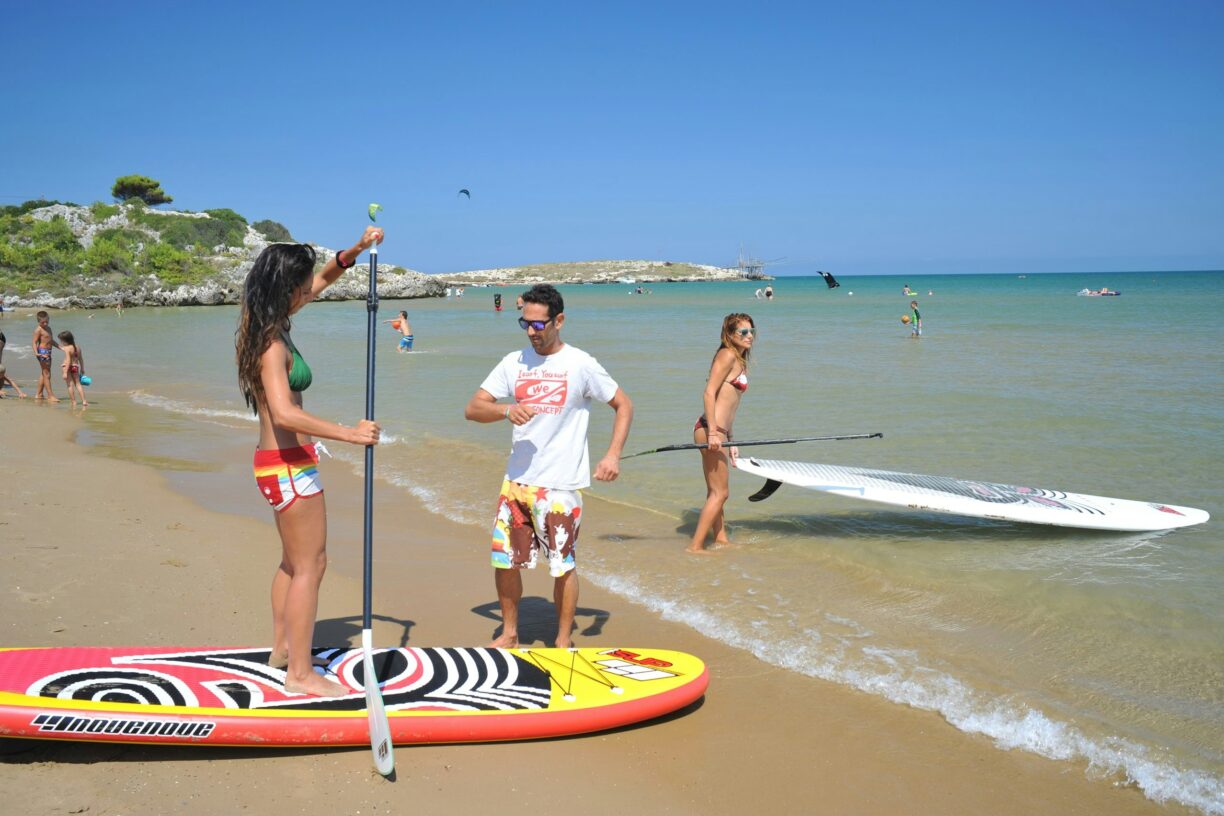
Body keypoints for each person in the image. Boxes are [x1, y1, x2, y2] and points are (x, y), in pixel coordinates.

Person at [235, 227, 383, 697]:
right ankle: (300, 674)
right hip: (288, 466)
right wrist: (350, 434)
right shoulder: (272, 343)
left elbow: (321, 282)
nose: (307, 294)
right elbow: (284, 413)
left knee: (293, 563)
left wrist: (354, 251)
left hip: (280, 462)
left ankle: (283, 649)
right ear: (285, 289)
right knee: (311, 566)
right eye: (300, 288)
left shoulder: (266, 322)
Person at [464, 283, 633, 649]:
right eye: (525, 323)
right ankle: (510, 633)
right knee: (505, 561)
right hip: (517, 482)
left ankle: (562, 639)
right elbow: (473, 408)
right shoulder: (514, 362)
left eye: (538, 324)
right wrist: (505, 410)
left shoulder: (580, 364)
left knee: (563, 565)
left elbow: (624, 405)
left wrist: (612, 455)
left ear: (559, 321)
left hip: (560, 486)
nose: (531, 331)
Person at [688, 313, 755, 554]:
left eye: (752, 331)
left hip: (720, 432)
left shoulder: (740, 359)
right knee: (721, 493)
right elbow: (709, 393)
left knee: (714, 491)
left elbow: (730, 405)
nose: (749, 336)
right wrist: (714, 434)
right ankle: (695, 547)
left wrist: (731, 440)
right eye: (743, 332)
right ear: (729, 334)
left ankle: (720, 538)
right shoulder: (727, 355)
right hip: (710, 429)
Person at [31, 311, 59, 402]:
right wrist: (36, 353)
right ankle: (50, 396)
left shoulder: (49, 328)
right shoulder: (38, 330)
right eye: (43, 322)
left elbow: (51, 340)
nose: (45, 324)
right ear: (38, 321)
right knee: (47, 374)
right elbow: (34, 342)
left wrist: (60, 347)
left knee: (44, 373)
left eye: (47, 321)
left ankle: (39, 394)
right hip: (42, 352)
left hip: (49, 351)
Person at [57, 330, 87, 407]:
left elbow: (68, 360)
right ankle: (84, 401)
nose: (61, 342)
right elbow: (81, 359)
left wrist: (65, 372)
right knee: (78, 384)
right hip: (75, 367)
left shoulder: (67, 348)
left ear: (65, 341)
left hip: (66, 366)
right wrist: (82, 368)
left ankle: (74, 402)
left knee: (70, 385)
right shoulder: (77, 347)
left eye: (61, 341)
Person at [0, 332, 28, 398]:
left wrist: (20, 393)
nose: (2, 376)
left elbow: (10, 381)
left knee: (4, 379)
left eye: (2, 375)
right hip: (1, 338)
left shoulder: (2, 373)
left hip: (1, 338)